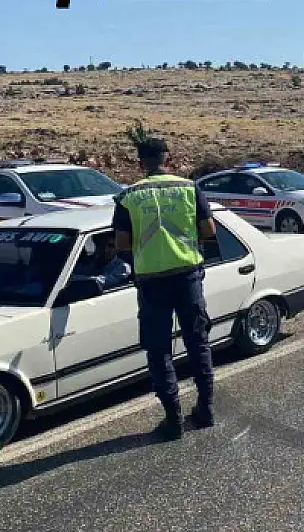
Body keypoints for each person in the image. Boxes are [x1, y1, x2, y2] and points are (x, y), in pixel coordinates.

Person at [113, 137, 217, 440]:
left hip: (151, 282)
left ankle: (173, 421)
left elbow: (121, 244)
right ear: (167, 158)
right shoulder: (188, 187)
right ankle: (206, 409)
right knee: (198, 344)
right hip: (187, 277)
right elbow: (208, 230)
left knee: (158, 352)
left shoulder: (129, 196)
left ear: (139, 161)